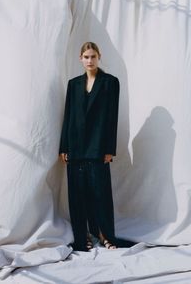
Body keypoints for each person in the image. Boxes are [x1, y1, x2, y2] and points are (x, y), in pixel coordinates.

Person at [59, 42, 135, 251]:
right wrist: (64, 147)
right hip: (75, 147)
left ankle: (105, 235)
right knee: (77, 195)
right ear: (80, 59)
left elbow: (112, 117)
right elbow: (69, 117)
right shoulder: (73, 84)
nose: (90, 61)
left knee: (100, 193)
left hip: (98, 147)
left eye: (93, 56)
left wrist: (110, 149)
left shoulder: (110, 82)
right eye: (86, 57)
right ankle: (82, 237)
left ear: (99, 57)